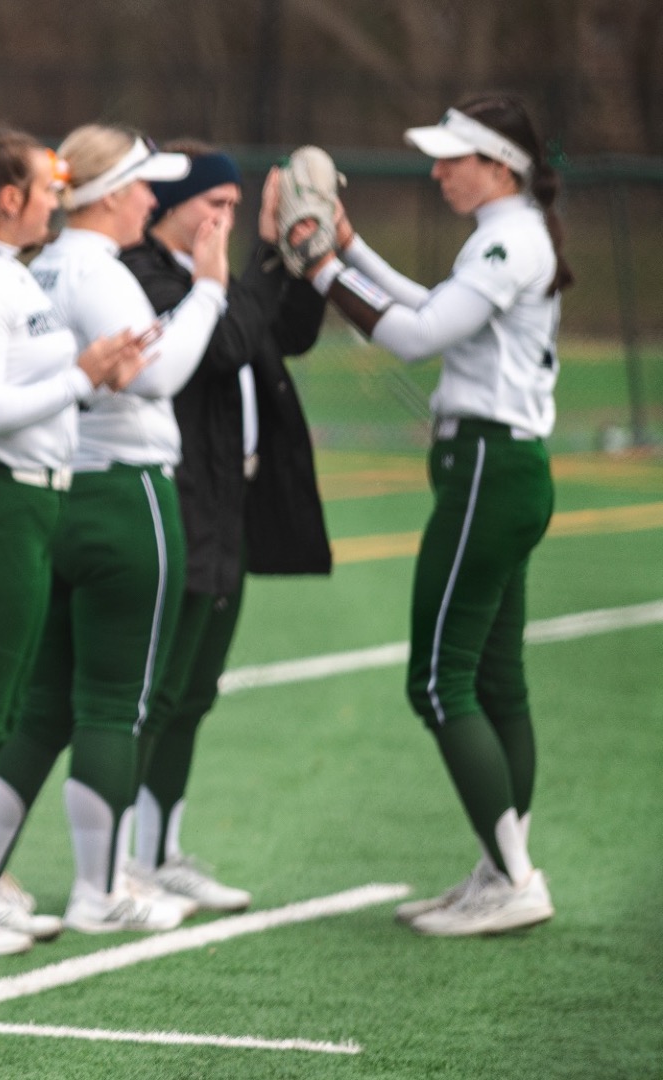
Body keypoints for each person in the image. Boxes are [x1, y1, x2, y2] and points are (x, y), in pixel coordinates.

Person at [295, 94, 570, 937]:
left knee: (439, 679)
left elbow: (416, 336)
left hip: (491, 468)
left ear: (501, 164)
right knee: (494, 680)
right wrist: (350, 250)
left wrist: (320, 272)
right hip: (501, 466)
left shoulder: (508, 233)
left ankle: (515, 878)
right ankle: (502, 868)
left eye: (455, 157)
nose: (438, 170)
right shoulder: (509, 231)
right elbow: (434, 304)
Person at [0, 123, 229, 934]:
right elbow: (157, 377)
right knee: (116, 700)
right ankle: (100, 888)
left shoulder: (33, 263)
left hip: (56, 491)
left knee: (42, 703)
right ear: (113, 193)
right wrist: (211, 292)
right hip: (125, 494)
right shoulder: (95, 268)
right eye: (144, 185)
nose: (153, 200)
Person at [0, 127, 143, 945]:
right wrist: (84, 374)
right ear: (10, 197)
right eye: (48, 188)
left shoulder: (11, 273)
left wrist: (90, 368)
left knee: (0, 706)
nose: (59, 199)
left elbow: (27, 386)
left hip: (37, 498)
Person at [118, 142, 330, 915]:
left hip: (228, 506)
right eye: (216, 204)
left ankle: (159, 849)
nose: (225, 221)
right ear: (171, 206)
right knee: (155, 689)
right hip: (180, 501)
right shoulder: (142, 276)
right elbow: (233, 340)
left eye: (237, 210)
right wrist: (232, 274)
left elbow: (289, 331)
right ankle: (116, 861)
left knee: (195, 692)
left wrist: (284, 250)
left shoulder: (212, 283)